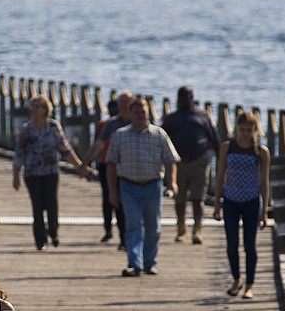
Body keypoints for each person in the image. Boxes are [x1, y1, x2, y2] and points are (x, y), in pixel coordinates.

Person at [106, 97, 179, 277]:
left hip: (153, 185)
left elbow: (171, 160)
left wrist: (172, 182)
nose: (140, 116)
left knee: (153, 226)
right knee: (133, 225)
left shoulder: (159, 134)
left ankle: (150, 262)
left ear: (149, 113)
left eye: (143, 112)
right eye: (136, 112)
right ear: (129, 114)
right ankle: (134, 263)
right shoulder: (120, 135)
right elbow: (111, 164)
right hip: (128, 186)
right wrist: (112, 191)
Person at [12, 94, 91, 250]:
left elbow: (65, 149)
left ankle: (53, 231)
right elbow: (19, 153)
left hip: (50, 172)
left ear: (45, 109)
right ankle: (40, 241)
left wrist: (80, 166)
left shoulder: (54, 127)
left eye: (38, 106)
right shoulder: (26, 130)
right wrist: (16, 176)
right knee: (37, 206)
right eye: (33, 106)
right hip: (32, 173)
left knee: (51, 204)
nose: (35, 110)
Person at [212, 111, 271, 299]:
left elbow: (264, 182)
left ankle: (250, 285)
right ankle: (236, 279)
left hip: (252, 201)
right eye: (242, 129)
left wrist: (265, 212)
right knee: (231, 244)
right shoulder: (227, 148)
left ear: (255, 129)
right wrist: (217, 204)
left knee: (249, 245)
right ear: (236, 128)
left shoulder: (261, 152)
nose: (245, 133)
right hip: (231, 200)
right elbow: (220, 176)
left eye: (249, 129)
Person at [162, 86, 221, 244]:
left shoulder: (202, 116)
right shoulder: (172, 118)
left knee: (198, 199)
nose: (183, 100)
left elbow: (214, 139)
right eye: (180, 97)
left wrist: (222, 159)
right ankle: (181, 229)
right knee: (179, 200)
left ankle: (198, 230)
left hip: (199, 162)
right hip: (178, 164)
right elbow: (162, 140)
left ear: (192, 98)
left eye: (186, 97)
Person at [82, 91, 132, 248]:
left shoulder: (139, 121)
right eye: (121, 102)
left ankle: (128, 238)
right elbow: (98, 144)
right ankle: (112, 232)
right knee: (111, 199)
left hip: (132, 169)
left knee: (128, 204)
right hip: (109, 166)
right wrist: (85, 163)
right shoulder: (110, 124)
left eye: (127, 102)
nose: (124, 105)